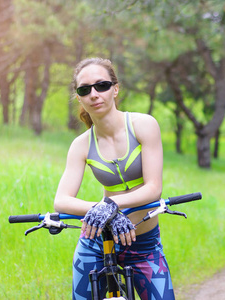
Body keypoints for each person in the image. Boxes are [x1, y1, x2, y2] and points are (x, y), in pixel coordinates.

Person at [53, 57, 175, 300]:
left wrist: (112, 205)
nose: (94, 94)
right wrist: (100, 210)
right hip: (97, 241)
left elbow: (153, 188)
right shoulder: (81, 145)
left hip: (143, 244)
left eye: (102, 85)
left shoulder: (143, 125)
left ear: (115, 89)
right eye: (84, 89)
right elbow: (61, 200)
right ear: (79, 97)